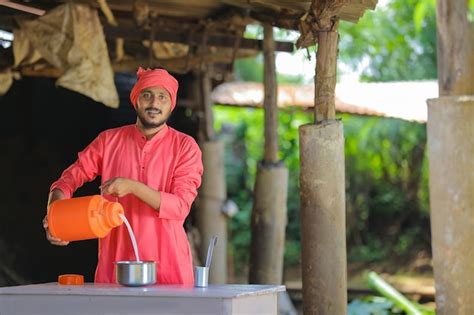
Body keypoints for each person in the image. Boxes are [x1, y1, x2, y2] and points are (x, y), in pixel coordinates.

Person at [42, 67, 203, 285]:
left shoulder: (185, 146)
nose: (154, 103)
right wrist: (56, 214)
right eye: (147, 95)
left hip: (168, 267)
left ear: (171, 104)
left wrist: (133, 187)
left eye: (162, 97)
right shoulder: (108, 141)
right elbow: (69, 179)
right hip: (115, 265)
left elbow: (180, 206)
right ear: (136, 100)